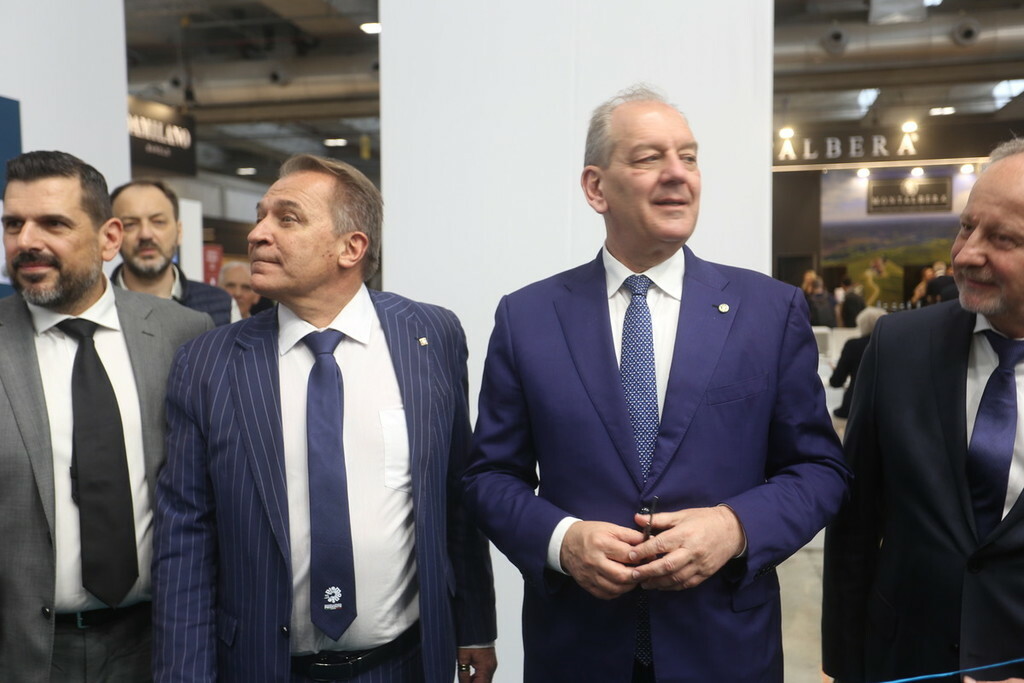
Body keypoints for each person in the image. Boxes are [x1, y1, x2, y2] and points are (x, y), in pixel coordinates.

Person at [462, 85, 850, 682]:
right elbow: (490, 476)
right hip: (577, 652)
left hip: (724, 652)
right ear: (596, 188)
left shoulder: (770, 312)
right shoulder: (528, 317)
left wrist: (735, 527)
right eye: (649, 158)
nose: (678, 174)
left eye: (688, 157)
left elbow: (819, 469)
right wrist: (561, 540)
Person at [153, 154, 497, 683]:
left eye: (287, 219)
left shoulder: (430, 336)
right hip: (264, 667)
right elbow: (185, 539)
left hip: (403, 664)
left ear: (350, 248)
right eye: (260, 217)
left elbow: (456, 494)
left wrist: (474, 626)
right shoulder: (207, 363)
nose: (257, 234)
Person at [0, 150, 211, 681]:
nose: (26, 241)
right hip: (26, 652)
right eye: (13, 224)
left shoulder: (182, 334)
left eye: (53, 223)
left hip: (157, 643)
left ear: (109, 238)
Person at [822, 139, 1024, 683]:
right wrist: (843, 667)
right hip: (904, 659)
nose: (966, 254)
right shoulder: (899, 345)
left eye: (1002, 238)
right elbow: (854, 524)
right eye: (966, 227)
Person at [110, 179, 238, 325]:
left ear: (179, 232)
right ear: (112, 236)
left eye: (158, 222)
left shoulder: (222, 306)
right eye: (130, 224)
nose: (145, 234)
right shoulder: (96, 306)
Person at [829, 306, 885, 419]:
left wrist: (836, 370)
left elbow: (836, 381)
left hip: (855, 406)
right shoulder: (890, 345)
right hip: (885, 407)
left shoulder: (852, 346)